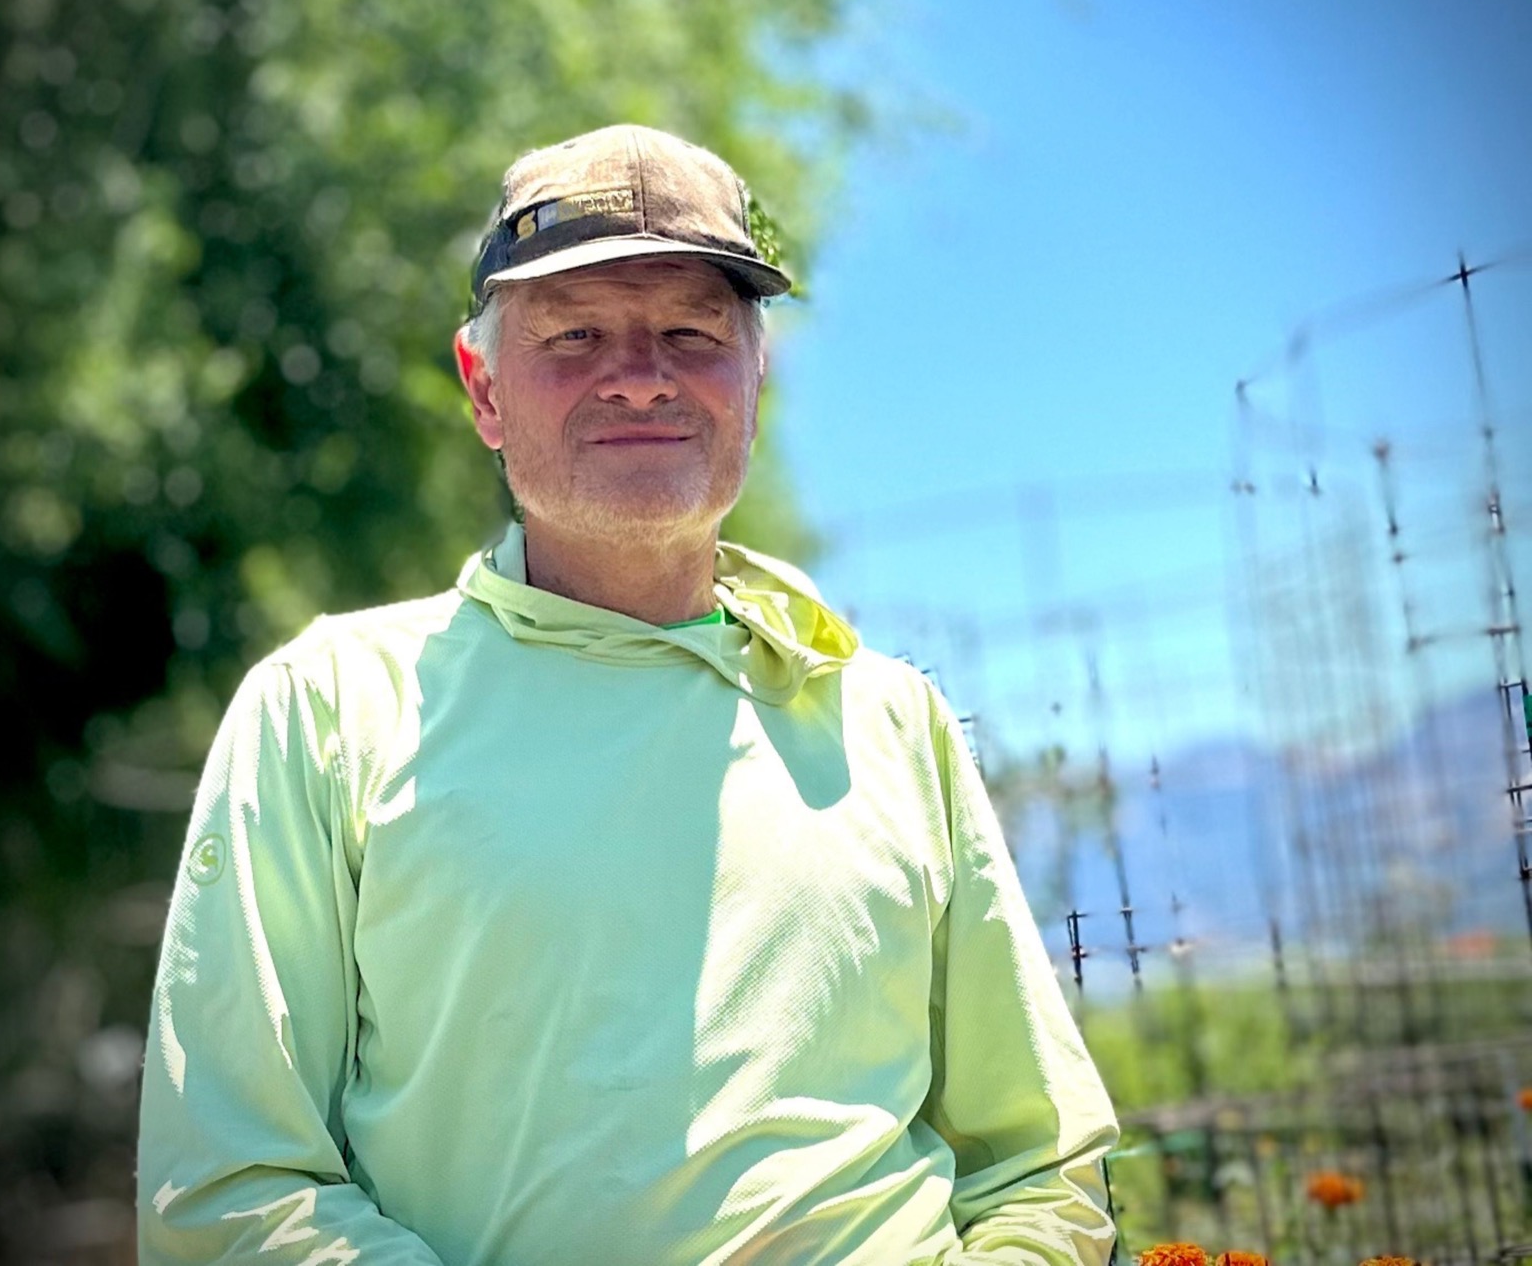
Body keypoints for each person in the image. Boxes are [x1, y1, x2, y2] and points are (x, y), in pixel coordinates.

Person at [136, 124, 1119, 1265]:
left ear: (758, 380)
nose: (640, 372)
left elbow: (1041, 1170)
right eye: (575, 334)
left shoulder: (889, 719)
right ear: (484, 388)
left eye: (691, 332)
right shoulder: (327, 709)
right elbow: (231, 1188)